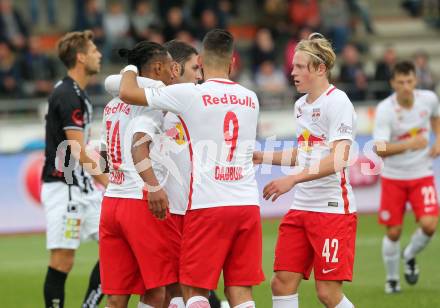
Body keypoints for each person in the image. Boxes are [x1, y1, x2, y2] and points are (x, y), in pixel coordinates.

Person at [119, 29, 264, 308]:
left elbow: (126, 91)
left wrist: (130, 64)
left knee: (193, 291)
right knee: (241, 293)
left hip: (207, 204)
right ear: (233, 62)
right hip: (247, 203)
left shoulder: (189, 95)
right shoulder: (251, 98)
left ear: (203, 61)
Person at [254, 33, 357, 308]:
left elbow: (339, 158)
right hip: (302, 207)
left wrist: (293, 179)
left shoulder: (338, 102)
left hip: (332, 209)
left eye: (300, 66)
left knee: (327, 293)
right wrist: (260, 156)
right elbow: (304, 154)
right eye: (293, 66)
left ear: (320, 69)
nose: (292, 72)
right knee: (281, 282)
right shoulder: (300, 106)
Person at [99, 41, 177, 308]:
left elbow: (103, 156)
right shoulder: (152, 101)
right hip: (140, 202)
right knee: (156, 291)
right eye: (169, 67)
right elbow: (138, 145)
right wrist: (153, 186)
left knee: (116, 296)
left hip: (112, 202)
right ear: (157, 68)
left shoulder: (112, 104)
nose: (172, 73)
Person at [41, 30, 108, 308]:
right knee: (62, 261)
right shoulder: (67, 94)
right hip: (63, 188)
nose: (99, 54)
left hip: (82, 187)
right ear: (81, 57)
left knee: (116, 249)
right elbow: (76, 150)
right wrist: (109, 180)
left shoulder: (77, 92)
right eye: (93, 50)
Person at [373, 60, 440, 294]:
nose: (405, 86)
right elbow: (379, 149)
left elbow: (435, 116)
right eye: (400, 82)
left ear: (415, 80)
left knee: (430, 225)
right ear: (392, 83)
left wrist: (438, 139)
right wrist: (411, 144)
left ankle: (409, 255)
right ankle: (392, 280)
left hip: (422, 173)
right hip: (394, 177)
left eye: (409, 81)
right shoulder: (385, 110)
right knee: (393, 232)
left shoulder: (428, 99)